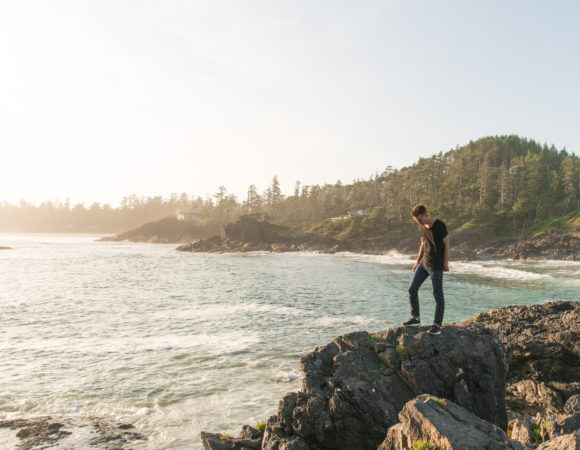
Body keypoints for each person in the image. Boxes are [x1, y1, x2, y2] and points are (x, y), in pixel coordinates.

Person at [402, 204, 449, 335]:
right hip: (424, 264)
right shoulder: (421, 226)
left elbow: (447, 245)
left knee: (438, 294)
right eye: (416, 220)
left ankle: (437, 325)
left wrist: (445, 263)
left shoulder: (440, 225)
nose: (418, 222)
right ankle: (416, 318)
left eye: (419, 219)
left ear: (424, 214)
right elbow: (423, 244)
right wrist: (417, 262)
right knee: (412, 289)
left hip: (436, 266)